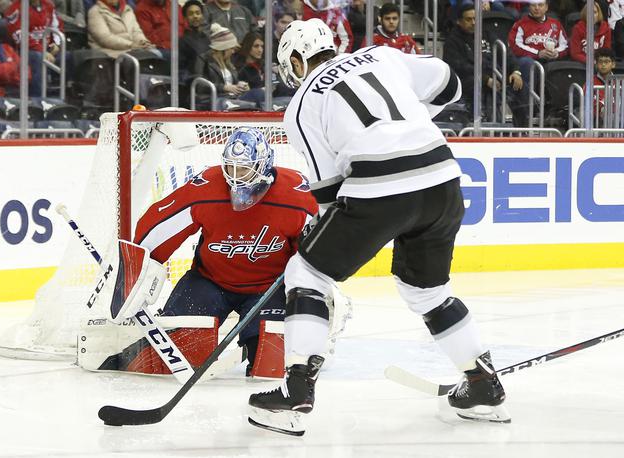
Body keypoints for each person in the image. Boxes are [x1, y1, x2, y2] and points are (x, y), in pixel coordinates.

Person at [247, 18, 510, 436]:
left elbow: (330, 192)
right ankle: (483, 384)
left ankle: (294, 391)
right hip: (442, 177)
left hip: (380, 185)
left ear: (297, 61)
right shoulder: (382, 55)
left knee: (306, 274)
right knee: (428, 291)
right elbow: (450, 84)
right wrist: (406, 123)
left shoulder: (300, 107)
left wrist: (320, 241)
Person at [132, 127, 318, 376]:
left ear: (263, 165)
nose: (235, 176)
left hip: (270, 288)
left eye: (243, 169)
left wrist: (309, 295)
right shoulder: (207, 188)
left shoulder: (296, 196)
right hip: (209, 282)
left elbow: (318, 250)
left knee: (270, 368)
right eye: (230, 168)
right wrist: (136, 268)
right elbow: (155, 231)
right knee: (174, 358)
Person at [443, 4, 527, 125]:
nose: (473, 22)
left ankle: (522, 129)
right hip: (468, 80)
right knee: (480, 85)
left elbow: (507, 55)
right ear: (459, 21)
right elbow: (459, 67)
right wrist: (485, 79)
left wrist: (515, 71)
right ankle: (491, 124)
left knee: (518, 84)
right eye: (468, 19)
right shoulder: (452, 41)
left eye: (475, 19)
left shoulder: (487, 35)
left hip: (495, 76)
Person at [5, 0, 63, 98]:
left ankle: (65, 100)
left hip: (48, 49)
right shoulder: (15, 8)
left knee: (70, 57)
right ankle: (38, 101)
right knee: (38, 58)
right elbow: (18, 35)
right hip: (25, 51)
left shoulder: (48, 6)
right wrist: (41, 50)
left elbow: (57, 27)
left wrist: (56, 44)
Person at [508, 0, 568, 82]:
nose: (536, 8)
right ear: (529, 6)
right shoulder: (520, 24)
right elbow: (514, 46)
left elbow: (565, 45)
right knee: (527, 62)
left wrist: (556, 53)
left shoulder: (556, 24)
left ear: (546, 7)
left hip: (552, 61)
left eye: (540, 5)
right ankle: (527, 95)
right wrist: (538, 53)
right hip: (530, 62)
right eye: (533, 5)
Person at [87, 0, 154, 58]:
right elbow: (104, 38)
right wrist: (131, 45)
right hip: (109, 54)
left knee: (155, 54)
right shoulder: (95, 12)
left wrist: (143, 42)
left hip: (131, 51)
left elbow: (136, 31)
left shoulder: (128, 9)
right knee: (136, 61)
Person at [569, 0, 611, 64]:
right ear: (585, 14)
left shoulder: (606, 28)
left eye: (595, 12)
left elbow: (607, 51)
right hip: (582, 64)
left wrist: (599, 62)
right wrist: (590, 61)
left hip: (600, 64)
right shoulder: (577, 28)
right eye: (589, 12)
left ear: (598, 14)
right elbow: (575, 53)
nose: (592, 15)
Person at [179, 0, 209, 78]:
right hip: (196, 80)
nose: (195, 16)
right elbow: (181, 69)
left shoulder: (207, 38)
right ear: (185, 17)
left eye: (198, 13)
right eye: (191, 14)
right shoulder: (182, 40)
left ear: (202, 15)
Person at [587, 47, 616, 125]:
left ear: (613, 64)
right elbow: (588, 104)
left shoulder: (619, 83)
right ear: (596, 64)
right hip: (597, 120)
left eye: (607, 62)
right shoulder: (590, 82)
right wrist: (601, 108)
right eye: (600, 62)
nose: (603, 64)